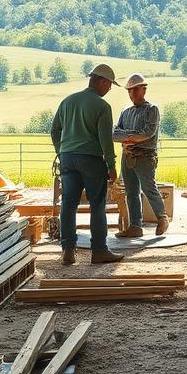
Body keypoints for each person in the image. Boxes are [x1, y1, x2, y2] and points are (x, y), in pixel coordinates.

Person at [50, 63, 124, 265]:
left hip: (67, 158)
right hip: (91, 160)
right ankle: (99, 250)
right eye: (109, 85)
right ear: (101, 81)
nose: (109, 89)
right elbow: (105, 140)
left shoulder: (68, 101)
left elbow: (55, 131)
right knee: (97, 204)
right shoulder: (102, 107)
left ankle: (67, 250)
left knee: (68, 204)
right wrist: (111, 165)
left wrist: (62, 151)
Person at [113, 73, 170, 238]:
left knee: (149, 188)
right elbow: (116, 133)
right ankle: (135, 226)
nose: (131, 94)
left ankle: (162, 218)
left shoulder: (152, 109)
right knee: (131, 191)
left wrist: (128, 137)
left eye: (134, 90)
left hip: (145, 156)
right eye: (129, 91)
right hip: (128, 155)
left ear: (143, 90)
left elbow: (148, 133)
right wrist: (132, 136)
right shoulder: (126, 111)